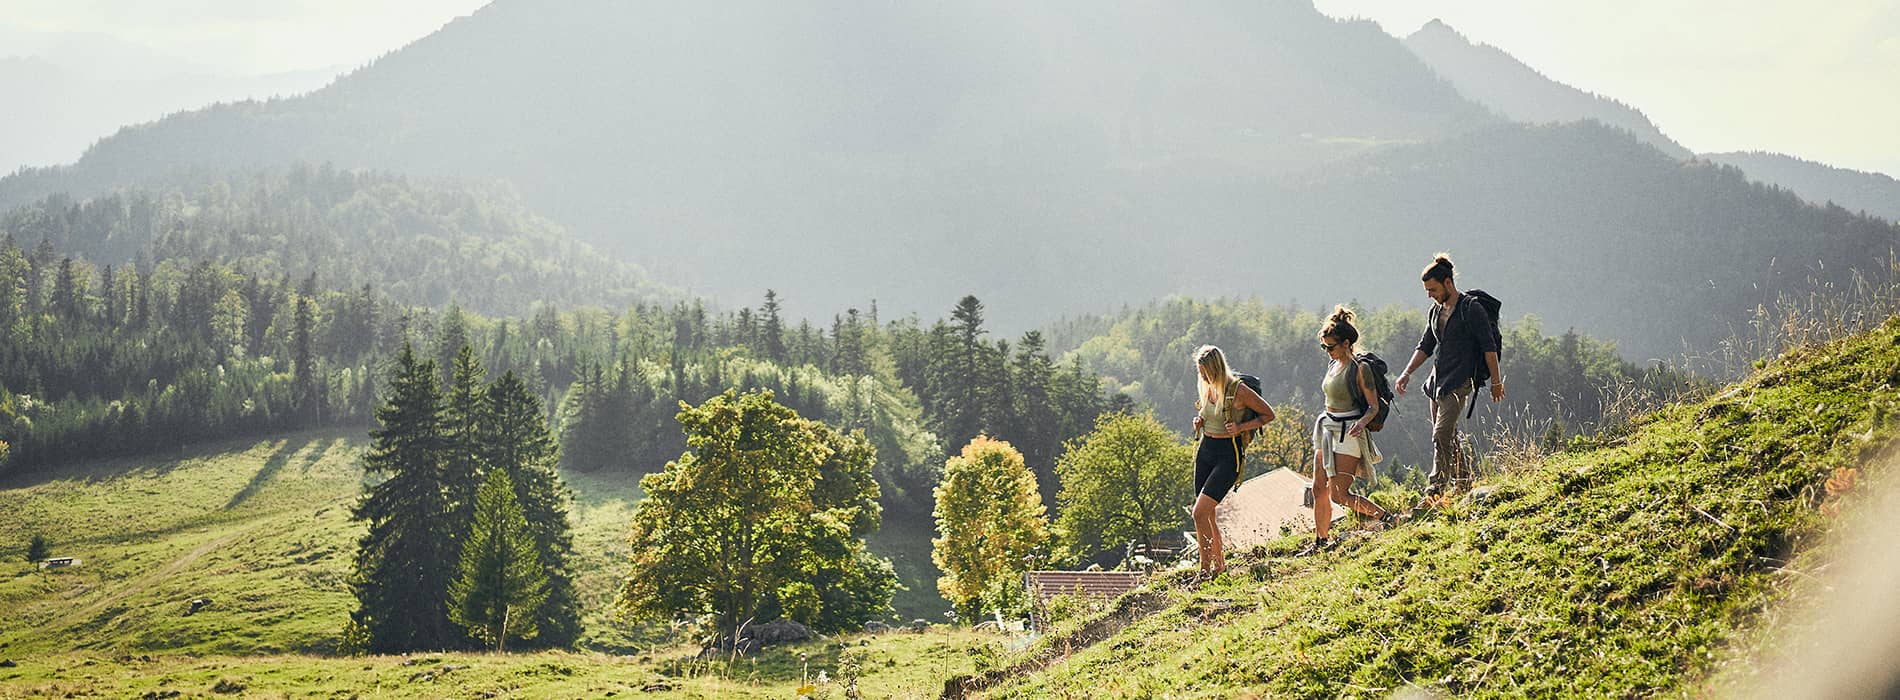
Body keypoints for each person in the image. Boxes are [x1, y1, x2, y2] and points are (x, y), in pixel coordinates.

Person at [1395, 254, 1504, 499]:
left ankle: (1436, 487)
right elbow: (1425, 345)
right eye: (1427, 290)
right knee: (1448, 435)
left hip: (1460, 380)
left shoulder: (1470, 308)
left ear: (1447, 283)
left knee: (1441, 434)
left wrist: (1496, 382)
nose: (1429, 294)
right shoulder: (1436, 311)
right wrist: (1406, 373)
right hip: (1437, 381)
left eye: (1432, 289)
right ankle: (1464, 480)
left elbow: (1489, 347)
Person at [1304, 306, 1394, 555]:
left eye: (1330, 347)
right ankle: (1321, 541)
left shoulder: (1360, 368)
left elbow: (1373, 406)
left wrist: (1362, 423)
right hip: (1327, 429)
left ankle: (1386, 518)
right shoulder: (1334, 365)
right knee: (1318, 487)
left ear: (1346, 343)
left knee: (1339, 495)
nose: (1327, 352)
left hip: (1348, 433)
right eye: (1324, 347)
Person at [1190, 345, 1274, 581]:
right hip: (1206, 450)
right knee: (1207, 514)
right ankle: (1219, 567)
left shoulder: (1238, 390)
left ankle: (1204, 571)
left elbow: (1269, 414)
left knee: (1199, 513)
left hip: (1228, 455)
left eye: (1206, 372)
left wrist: (1241, 427)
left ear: (1216, 368)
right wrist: (1200, 421)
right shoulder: (1206, 387)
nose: (1203, 377)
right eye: (1200, 373)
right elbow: (1209, 414)